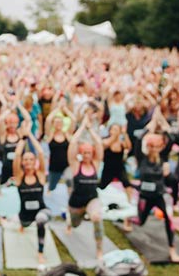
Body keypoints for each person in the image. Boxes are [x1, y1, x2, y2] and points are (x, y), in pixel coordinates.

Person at [136, 133, 179, 262]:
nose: (154, 149)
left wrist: (161, 121)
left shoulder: (162, 158)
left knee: (168, 219)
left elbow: (171, 139)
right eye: (152, 146)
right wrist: (151, 124)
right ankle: (129, 219)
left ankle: (172, 249)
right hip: (145, 197)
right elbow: (139, 139)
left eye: (157, 146)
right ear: (148, 147)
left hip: (159, 195)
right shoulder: (141, 158)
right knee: (141, 221)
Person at [66, 112, 105, 261]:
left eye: (90, 152)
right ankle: (69, 222)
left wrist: (91, 130)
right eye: (85, 153)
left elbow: (99, 145)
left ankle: (99, 250)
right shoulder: (76, 166)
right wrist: (82, 127)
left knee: (97, 218)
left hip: (91, 199)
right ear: (81, 154)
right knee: (75, 224)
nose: (88, 155)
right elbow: (73, 144)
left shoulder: (95, 164)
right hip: (76, 201)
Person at [13, 127, 51, 266]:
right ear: (22, 162)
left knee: (41, 220)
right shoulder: (19, 177)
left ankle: (40, 252)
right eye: (26, 159)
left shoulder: (40, 175)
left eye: (31, 159)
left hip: (41, 210)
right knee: (24, 223)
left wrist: (30, 135)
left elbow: (40, 152)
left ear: (34, 161)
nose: (28, 161)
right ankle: (22, 226)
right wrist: (23, 139)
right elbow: (17, 155)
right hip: (25, 216)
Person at [99, 123, 133, 231]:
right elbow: (106, 145)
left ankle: (129, 201)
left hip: (119, 167)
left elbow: (129, 146)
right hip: (108, 168)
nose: (115, 131)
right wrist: (114, 136)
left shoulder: (121, 142)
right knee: (101, 186)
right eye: (113, 129)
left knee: (127, 183)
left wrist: (124, 133)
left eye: (116, 129)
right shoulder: (106, 140)